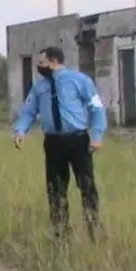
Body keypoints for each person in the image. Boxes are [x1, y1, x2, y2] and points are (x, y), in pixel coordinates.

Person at [13, 45, 107, 240]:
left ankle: (94, 229)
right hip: (53, 143)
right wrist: (21, 131)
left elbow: (96, 108)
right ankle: (60, 232)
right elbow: (29, 110)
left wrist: (97, 136)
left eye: (42, 62)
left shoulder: (79, 81)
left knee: (87, 185)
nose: (39, 66)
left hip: (77, 140)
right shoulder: (39, 87)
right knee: (55, 188)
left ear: (54, 61)